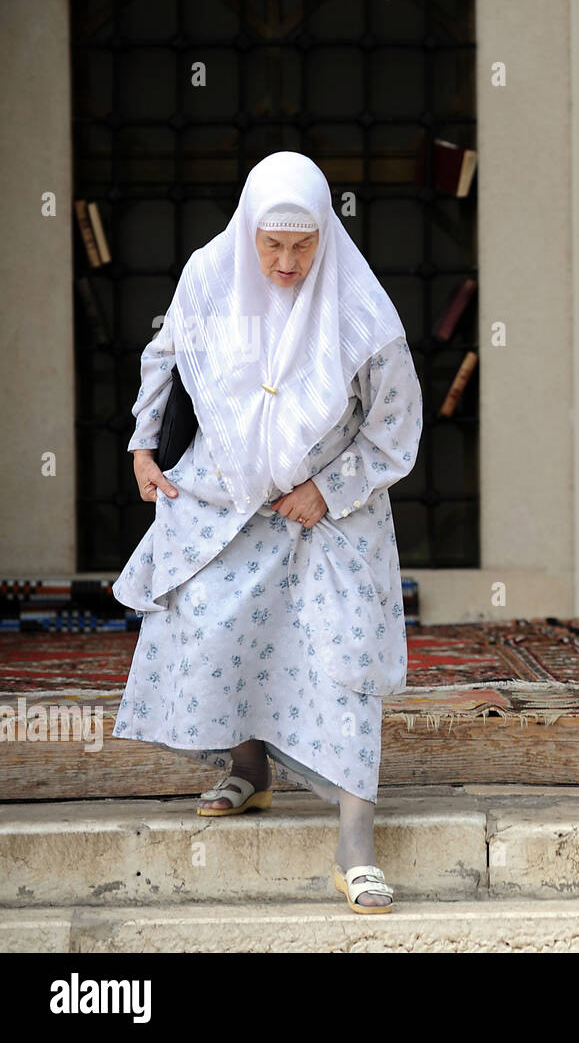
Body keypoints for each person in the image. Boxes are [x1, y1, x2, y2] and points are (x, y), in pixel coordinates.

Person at [113, 151, 423, 912]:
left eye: (303, 244)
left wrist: (327, 487)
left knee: (343, 649)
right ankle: (250, 769)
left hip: (332, 505)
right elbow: (166, 353)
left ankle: (355, 845)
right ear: (249, 231)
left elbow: (395, 426)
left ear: (326, 235)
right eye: (272, 244)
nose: (287, 262)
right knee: (219, 619)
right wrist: (143, 444)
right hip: (227, 488)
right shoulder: (210, 275)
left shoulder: (361, 309)